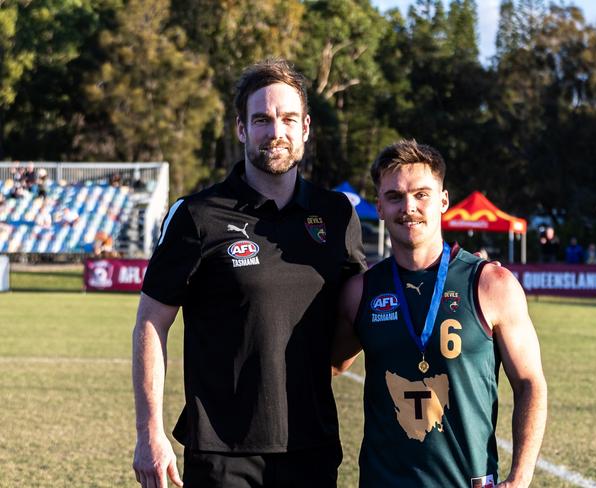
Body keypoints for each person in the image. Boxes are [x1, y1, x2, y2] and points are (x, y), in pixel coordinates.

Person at [131, 59, 366, 488]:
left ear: (306, 128)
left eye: (288, 119)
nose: (276, 131)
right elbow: (151, 321)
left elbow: (356, 312)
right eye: (262, 119)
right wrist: (149, 432)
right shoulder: (197, 216)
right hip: (223, 454)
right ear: (241, 128)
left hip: (311, 447)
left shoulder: (336, 215)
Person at [332, 140, 547, 487]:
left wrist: (519, 478)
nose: (409, 207)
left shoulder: (492, 284)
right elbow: (329, 367)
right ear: (380, 208)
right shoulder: (360, 292)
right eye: (394, 197)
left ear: (443, 200)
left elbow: (529, 383)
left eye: (421, 194)